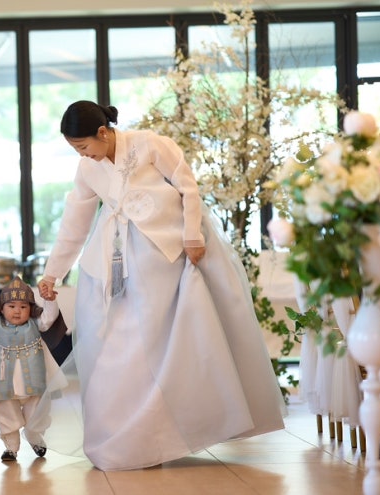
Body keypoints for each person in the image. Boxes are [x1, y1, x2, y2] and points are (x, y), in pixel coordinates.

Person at [36, 100, 286, 471]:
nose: (83, 155)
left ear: (103, 132)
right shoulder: (88, 168)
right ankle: (128, 439)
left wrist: (192, 235)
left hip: (167, 254)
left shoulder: (150, 143)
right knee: (119, 344)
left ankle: (168, 433)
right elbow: (75, 220)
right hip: (117, 260)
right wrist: (52, 273)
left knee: (166, 341)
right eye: (76, 150)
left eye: (84, 146)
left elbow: (188, 186)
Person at [0, 276, 67, 462]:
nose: (17, 311)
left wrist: (50, 300)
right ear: (1, 308)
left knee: (37, 409)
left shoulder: (36, 323)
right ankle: (11, 446)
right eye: (11, 306)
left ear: (31, 308)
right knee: (5, 411)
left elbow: (49, 317)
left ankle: (34, 436)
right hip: (4, 382)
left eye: (23, 307)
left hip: (34, 380)